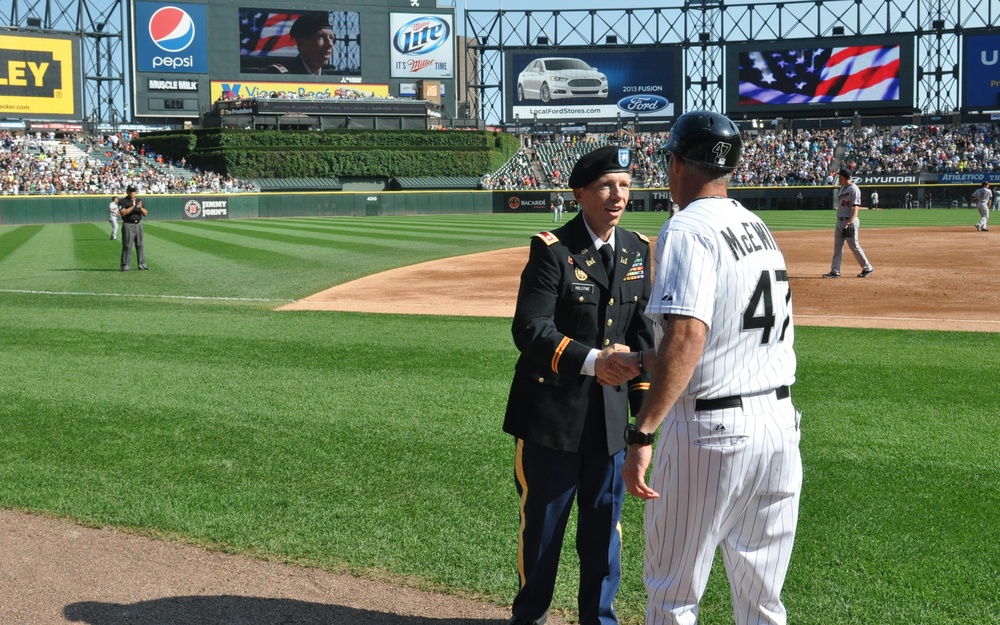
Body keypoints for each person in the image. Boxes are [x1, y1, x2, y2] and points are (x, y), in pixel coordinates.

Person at [615, 110, 802, 625]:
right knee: (762, 598)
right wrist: (642, 360)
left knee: (673, 595)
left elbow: (688, 334)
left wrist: (642, 433)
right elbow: (721, 337)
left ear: (675, 164)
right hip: (780, 426)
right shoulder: (755, 225)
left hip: (711, 433)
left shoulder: (686, 227)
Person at [503, 145, 655, 625]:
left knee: (604, 537)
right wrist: (593, 361)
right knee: (543, 536)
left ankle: (599, 620)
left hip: (609, 427)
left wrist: (640, 423)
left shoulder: (637, 249)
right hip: (552, 422)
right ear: (580, 194)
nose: (618, 195)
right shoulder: (553, 249)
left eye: (625, 185)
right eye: (606, 186)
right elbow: (530, 329)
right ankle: (530, 618)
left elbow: (642, 338)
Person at [823, 167, 875, 278]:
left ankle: (867, 268)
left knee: (854, 246)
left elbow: (856, 207)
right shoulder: (842, 188)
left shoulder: (854, 189)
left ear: (843, 177)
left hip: (849, 221)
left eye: (839, 175)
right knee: (837, 248)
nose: (838, 177)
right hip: (840, 221)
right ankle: (835, 271)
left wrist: (850, 222)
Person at [265, 12, 338, 75]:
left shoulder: (331, 82)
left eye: (331, 38)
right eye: (321, 37)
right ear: (301, 43)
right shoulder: (281, 76)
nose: (329, 44)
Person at [119, 185, 149, 271]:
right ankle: (125, 266)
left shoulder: (139, 200)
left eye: (133, 191)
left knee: (140, 245)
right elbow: (123, 213)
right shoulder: (123, 201)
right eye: (130, 191)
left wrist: (140, 207)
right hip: (128, 225)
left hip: (138, 224)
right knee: (127, 246)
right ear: (127, 191)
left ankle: (142, 264)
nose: (132, 193)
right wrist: (132, 206)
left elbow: (145, 213)